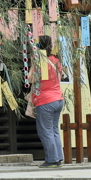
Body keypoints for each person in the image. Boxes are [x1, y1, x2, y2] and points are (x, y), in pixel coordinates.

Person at [28, 35, 65, 168]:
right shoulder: (55, 60)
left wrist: (33, 64)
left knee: (45, 131)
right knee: (54, 129)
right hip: (58, 98)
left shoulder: (40, 61)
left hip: (45, 100)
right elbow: (61, 76)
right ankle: (58, 157)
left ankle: (52, 160)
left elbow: (30, 79)